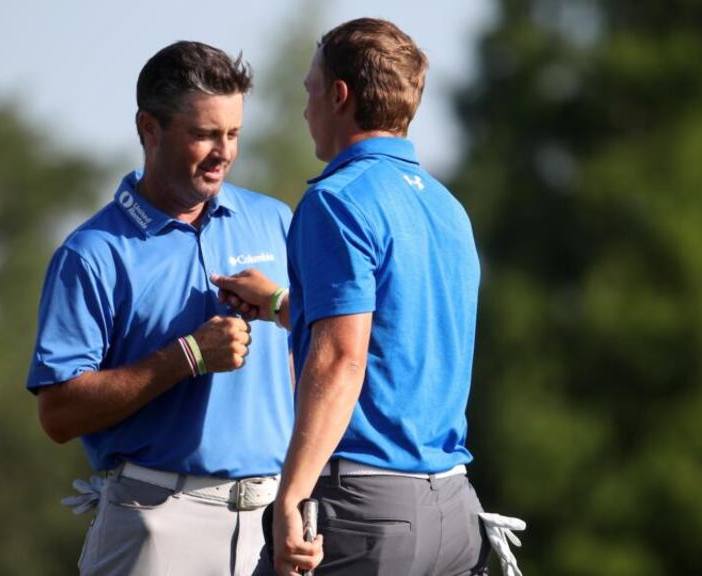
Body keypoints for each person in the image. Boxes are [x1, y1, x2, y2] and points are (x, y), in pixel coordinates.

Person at [216, 18, 515, 576]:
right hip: (454, 511)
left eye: (309, 91)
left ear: (339, 96)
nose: (306, 109)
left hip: (365, 513)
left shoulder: (337, 201)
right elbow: (395, 330)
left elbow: (340, 359)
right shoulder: (448, 208)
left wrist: (290, 497)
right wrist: (285, 306)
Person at [26, 41, 293, 576]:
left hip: (277, 519)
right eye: (203, 134)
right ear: (149, 128)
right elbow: (58, 414)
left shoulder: (276, 221)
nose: (224, 152)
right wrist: (187, 357)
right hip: (157, 521)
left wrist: (286, 306)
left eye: (233, 134)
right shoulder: (92, 253)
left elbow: (319, 358)